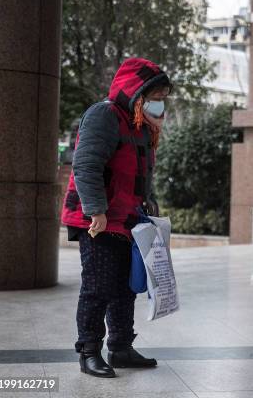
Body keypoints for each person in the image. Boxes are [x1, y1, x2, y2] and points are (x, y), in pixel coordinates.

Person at [61, 58, 171, 378]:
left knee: (126, 286)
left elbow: (140, 175)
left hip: (128, 219)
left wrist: (150, 207)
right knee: (99, 286)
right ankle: (89, 351)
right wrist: (96, 210)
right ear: (136, 91)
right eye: (156, 95)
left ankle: (121, 347)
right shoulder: (104, 115)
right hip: (97, 219)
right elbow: (86, 165)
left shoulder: (140, 124)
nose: (159, 103)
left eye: (163, 97)